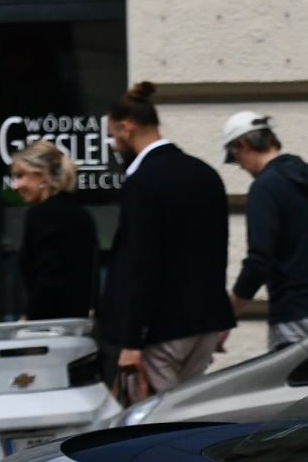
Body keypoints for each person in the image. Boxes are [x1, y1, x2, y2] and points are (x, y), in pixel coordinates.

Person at [93, 82, 234, 400]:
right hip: (204, 321)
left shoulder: (143, 182)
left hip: (162, 328)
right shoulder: (205, 173)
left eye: (114, 135)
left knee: (159, 425)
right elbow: (216, 251)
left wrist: (132, 341)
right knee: (187, 413)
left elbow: (142, 263)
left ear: (127, 128)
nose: (114, 145)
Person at [223, 111, 308, 351]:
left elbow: (259, 261)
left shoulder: (265, 187)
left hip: (293, 318)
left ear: (243, 145)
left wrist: (229, 314)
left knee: (295, 389)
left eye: (234, 157)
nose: (239, 166)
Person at [8, 139, 98, 320]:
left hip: (50, 327)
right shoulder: (82, 215)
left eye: (20, 175)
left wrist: (28, 318)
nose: (15, 186)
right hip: (78, 323)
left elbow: (50, 279)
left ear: (42, 175)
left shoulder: (41, 215)